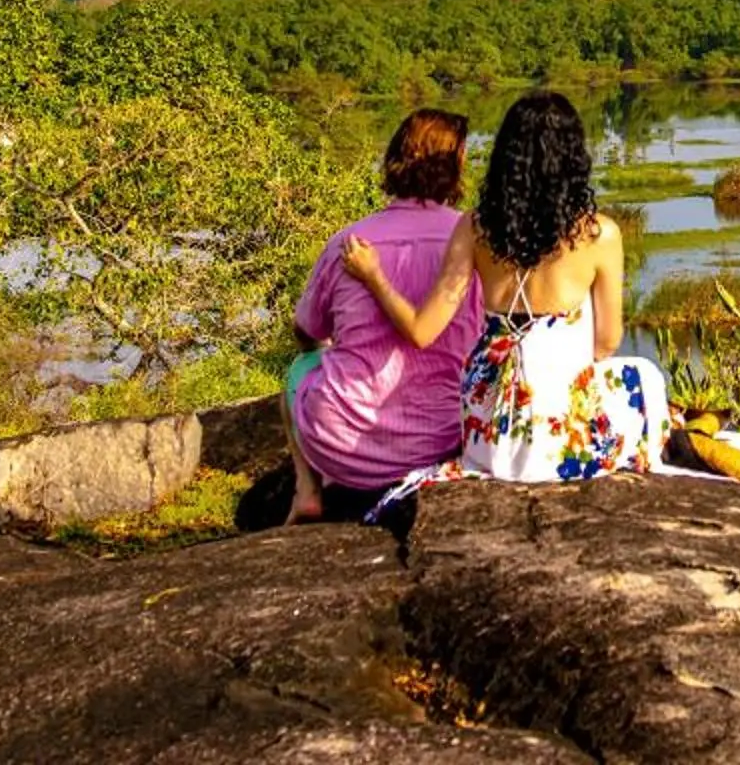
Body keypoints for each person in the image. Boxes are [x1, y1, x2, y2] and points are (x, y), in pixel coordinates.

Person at [347, 90, 667, 486]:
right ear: (573, 158)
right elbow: (607, 342)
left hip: (490, 433)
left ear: (507, 158)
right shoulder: (600, 234)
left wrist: (374, 276)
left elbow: (420, 330)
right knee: (646, 377)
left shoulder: (475, 227)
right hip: (562, 437)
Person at [286, 107, 480, 522]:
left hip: (345, 449)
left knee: (298, 369)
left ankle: (307, 489)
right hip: (444, 438)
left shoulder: (349, 242)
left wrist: (331, 348)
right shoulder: (472, 243)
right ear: (456, 166)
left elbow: (306, 332)